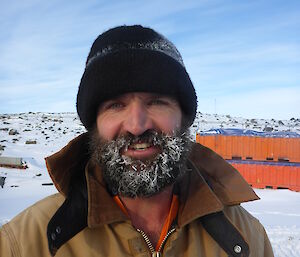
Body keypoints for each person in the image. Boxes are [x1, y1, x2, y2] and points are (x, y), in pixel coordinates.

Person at [0, 25, 274, 257]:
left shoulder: (247, 238)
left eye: (156, 101)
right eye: (116, 105)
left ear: (183, 117)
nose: (136, 125)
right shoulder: (25, 242)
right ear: (94, 124)